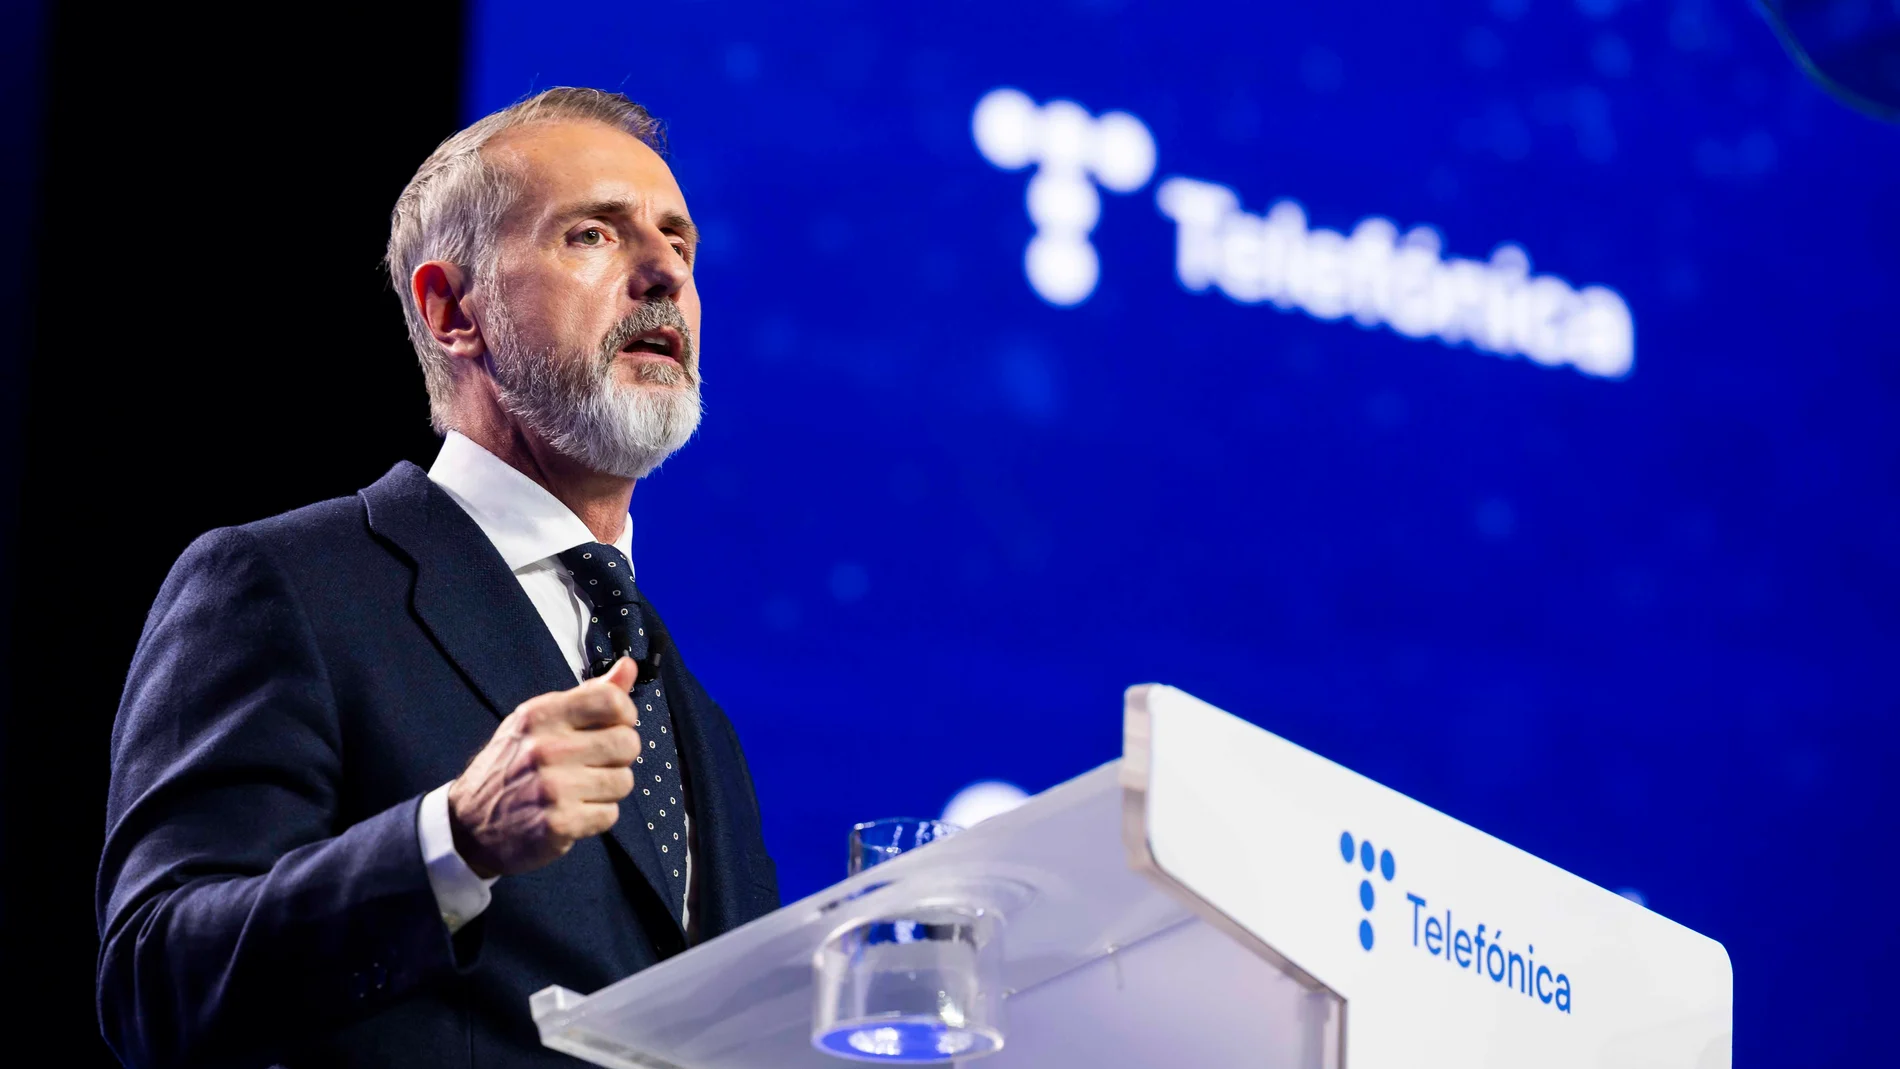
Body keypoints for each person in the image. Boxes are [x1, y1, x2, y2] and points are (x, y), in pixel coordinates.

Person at [96, 88, 778, 1069]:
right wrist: (453, 839)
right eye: (593, 233)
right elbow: (156, 981)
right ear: (453, 310)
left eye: (679, 241)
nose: (665, 270)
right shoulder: (287, 586)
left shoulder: (700, 723)